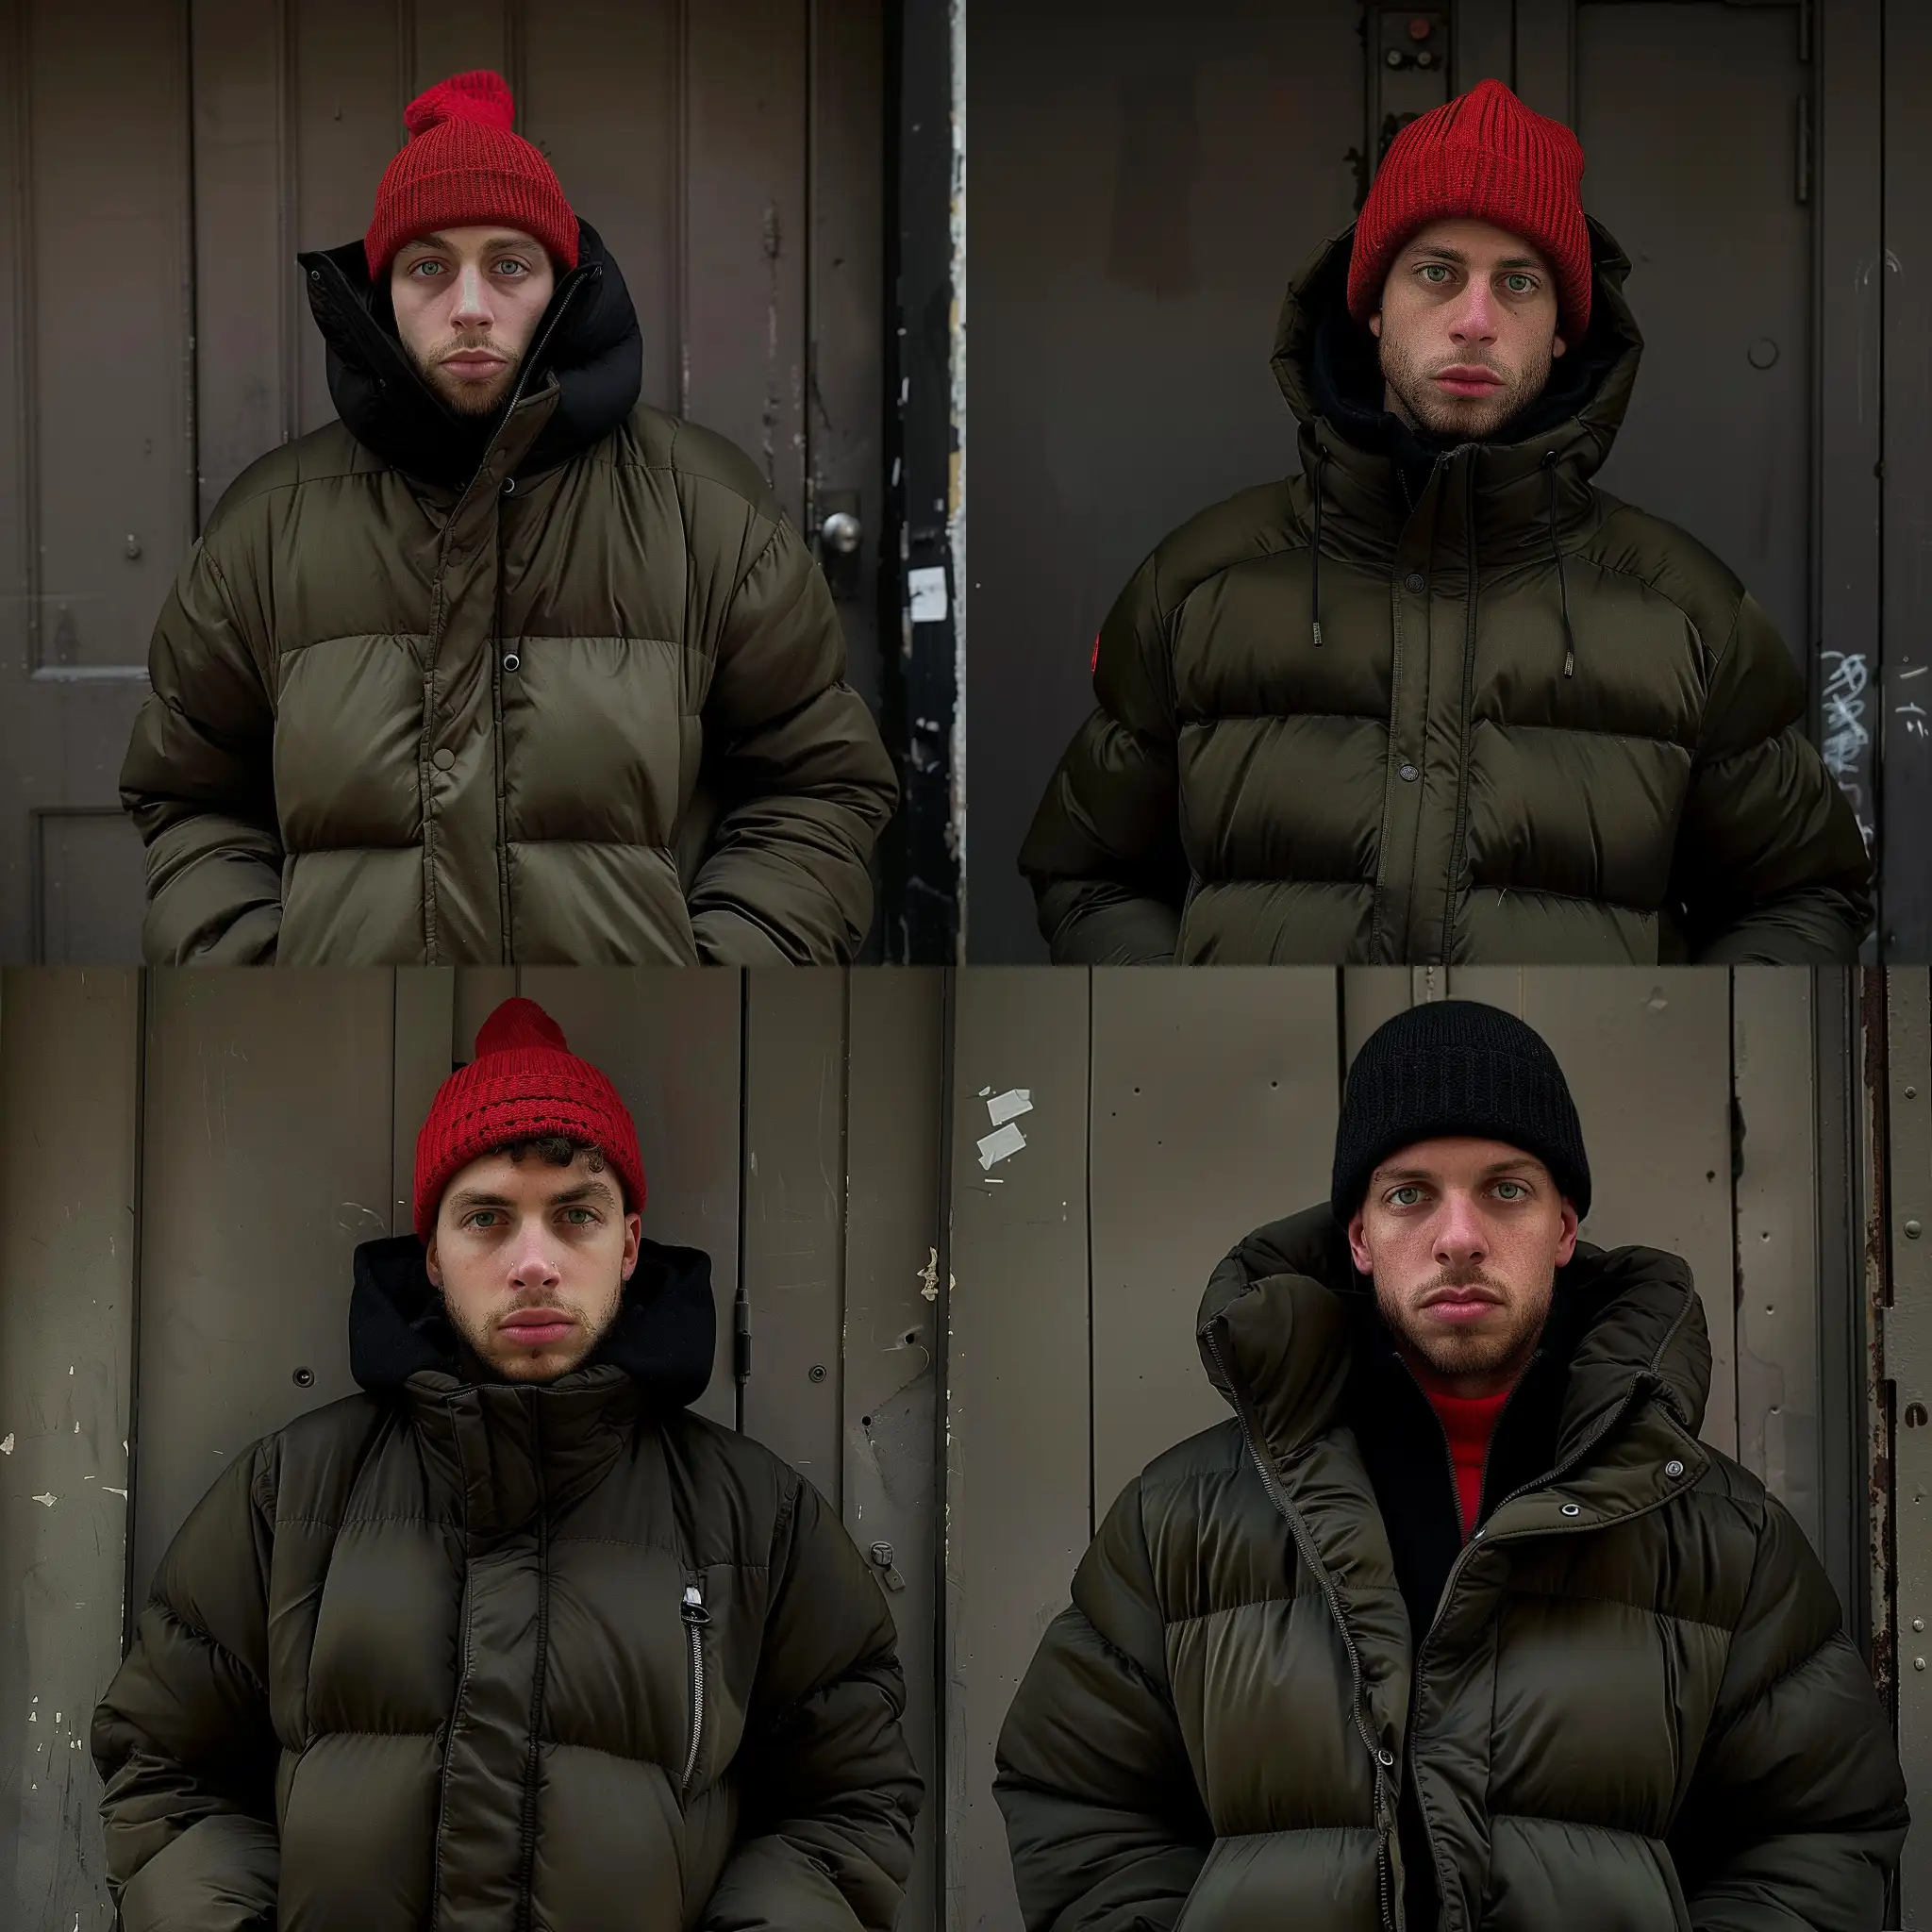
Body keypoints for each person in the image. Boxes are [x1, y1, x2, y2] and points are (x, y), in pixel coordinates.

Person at [995, 999, 1906, 1929]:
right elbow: (1078, 1802)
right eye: (1409, 1193)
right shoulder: (1176, 1520)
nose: (1458, 1234)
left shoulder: (1726, 1534)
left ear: (1560, 1225)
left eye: (1504, 1188)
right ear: (1358, 1237)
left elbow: (1817, 1831)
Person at [92, 996, 921, 1929]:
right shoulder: (290, 1495)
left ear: (629, 1244)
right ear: (435, 1255)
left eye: (575, 1215)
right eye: (486, 1217)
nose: (533, 1261)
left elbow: (849, 1799)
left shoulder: (755, 1515)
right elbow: (167, 1767)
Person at [1020, 80, 1871, 966]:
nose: (1474, 321)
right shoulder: (1198, 586)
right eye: (1437, 273)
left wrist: (1667, 1080)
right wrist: (1204, 1049)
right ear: (1375, 302)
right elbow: (1088, 875)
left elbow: (1805, 896)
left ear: (1560, 332)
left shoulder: (1688, 614)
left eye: (1518, 283)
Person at [121, 69, 897, 966]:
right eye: (428, 267)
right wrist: (264, 986)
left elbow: (817, 785)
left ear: (563, 286)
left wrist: (716, 986)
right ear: (383, 296)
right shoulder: (264, 529)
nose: (472, 306)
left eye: (510, 264)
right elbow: (189, 797)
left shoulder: (711, 515)